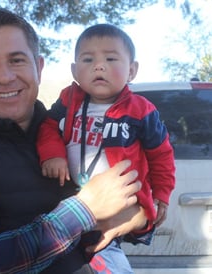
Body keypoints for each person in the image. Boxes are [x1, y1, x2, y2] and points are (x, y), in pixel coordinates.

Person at [0, 8, 146, 274]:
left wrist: (141, 218)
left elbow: (131, 204)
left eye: (17, 60)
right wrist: (84, 209)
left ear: (38, 67)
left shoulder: (71, 129)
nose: (5, 77)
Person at [36, 24, 176, 273]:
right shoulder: (68, 100)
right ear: (74, 70)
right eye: (88, 59)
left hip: (115, 207)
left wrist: (161, 194)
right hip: (68, 201)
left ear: (132, 70)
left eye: (111, 58)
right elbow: (47, 127)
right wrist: (54, 155)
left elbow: (161, 155)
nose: (98, 66)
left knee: (106, 254)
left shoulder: (142, 111)